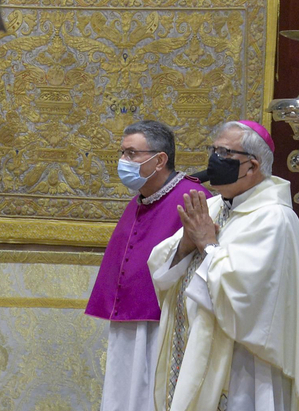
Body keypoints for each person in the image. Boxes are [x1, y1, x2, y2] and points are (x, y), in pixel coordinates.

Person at [149, 120, 299, 411]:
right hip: (195, 345)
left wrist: (207, 245)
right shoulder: (214, 206)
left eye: (224, 153)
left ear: (252, 166)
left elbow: (247, 296)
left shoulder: (275, 218)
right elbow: (160, 266)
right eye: (213, 150)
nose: (214, 159)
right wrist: (187, 244)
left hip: (244, 366)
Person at [87, 120, 207, 411]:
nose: (122, 161)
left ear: (159, 159)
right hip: (129, 322)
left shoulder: (192, 199)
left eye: (131, 154)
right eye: (122, 153)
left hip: (164, 324)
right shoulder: (140, 200)